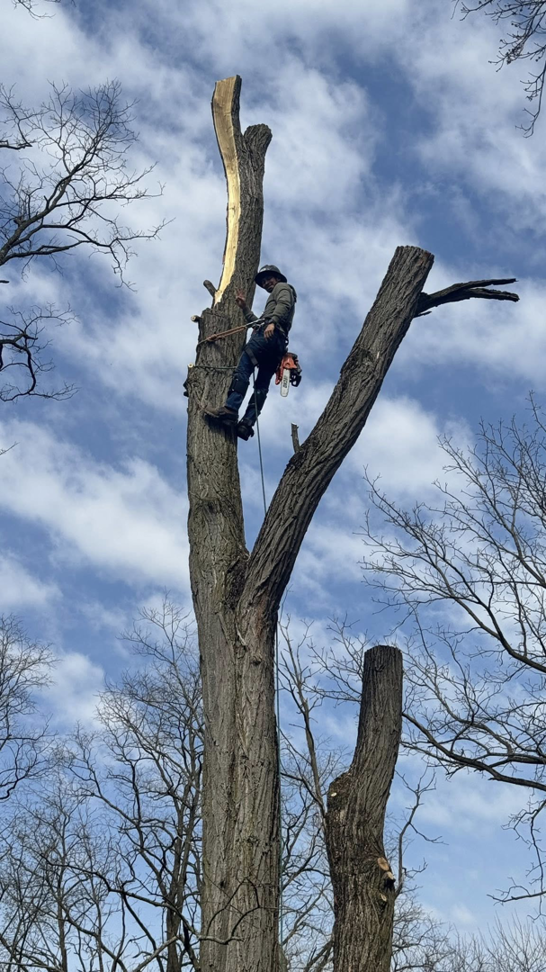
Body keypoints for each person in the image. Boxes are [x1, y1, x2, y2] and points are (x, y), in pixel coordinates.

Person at [205, 264, 297, 440]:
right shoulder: (275, 300)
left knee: (244, 368)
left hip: (270, 334)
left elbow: (283, 306)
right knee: (261, 386)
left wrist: (273, 322)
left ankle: (230, 409)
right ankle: (246, 424)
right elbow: (258, 323)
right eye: (263, 281)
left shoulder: (282, 288)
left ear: (277, 278)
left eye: (269, 278)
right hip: (277, 344)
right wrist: (245, 308)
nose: (266, 283)